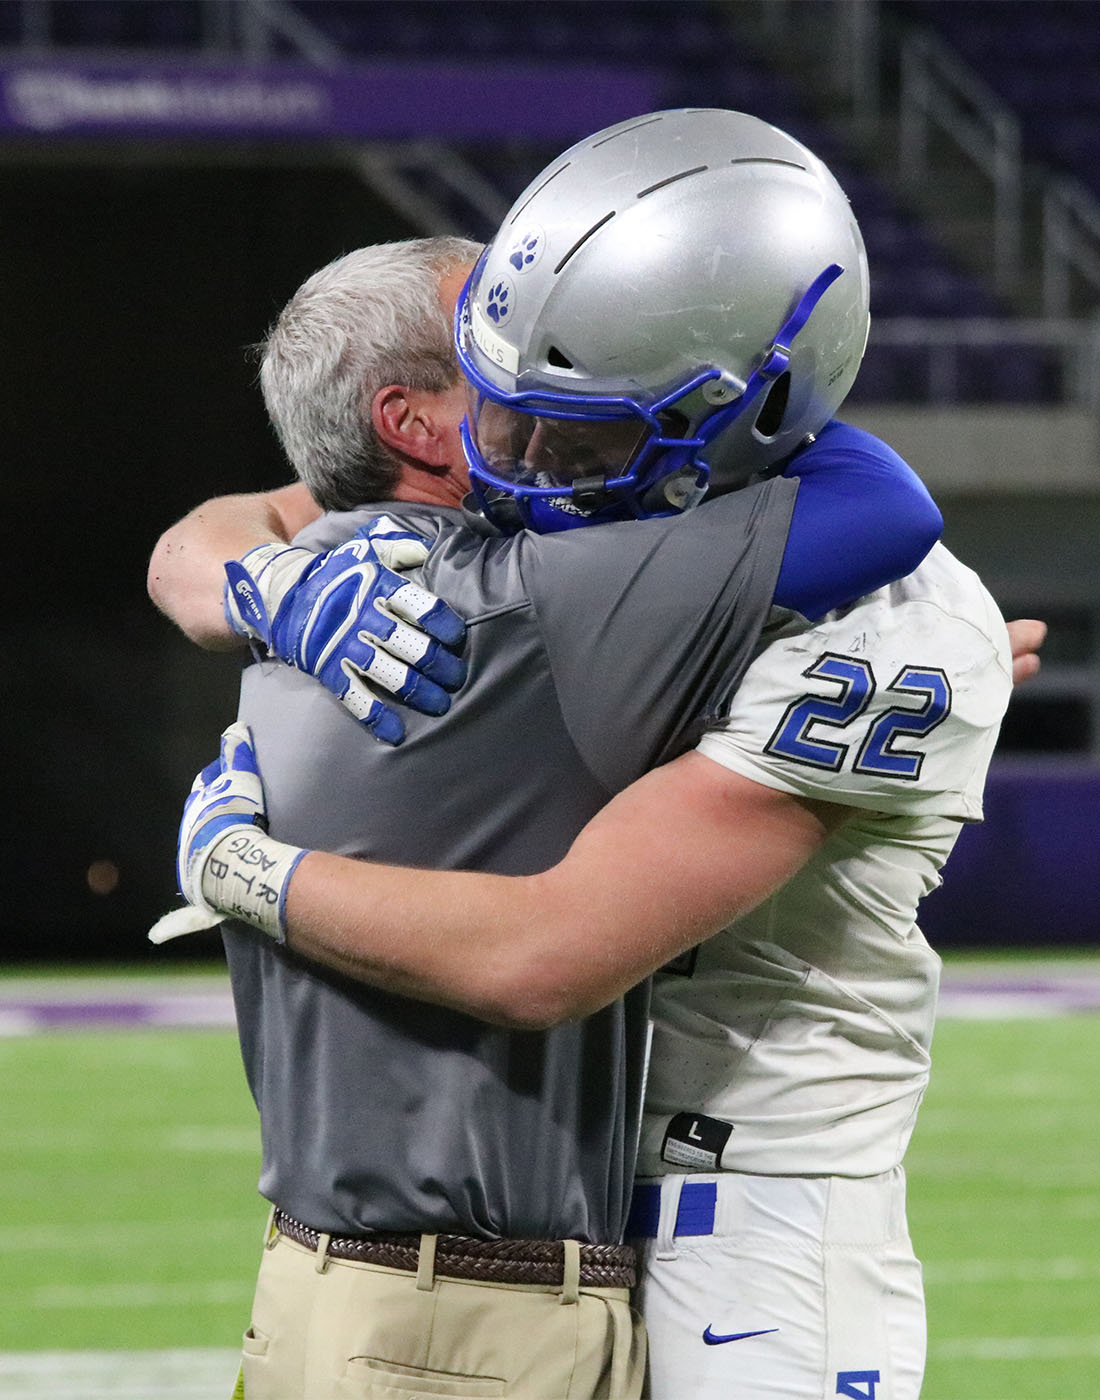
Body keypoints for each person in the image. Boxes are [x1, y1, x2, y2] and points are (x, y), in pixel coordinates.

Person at [149, 112, 1037, 1400]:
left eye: (575, 424)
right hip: (576, 1187)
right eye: (509, 410)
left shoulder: (877, 614)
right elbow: (240, 524)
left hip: (756, 1201)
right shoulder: (593, 534)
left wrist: (236, 862)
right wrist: (256, 580)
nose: (522, 462)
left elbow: (547, 952)